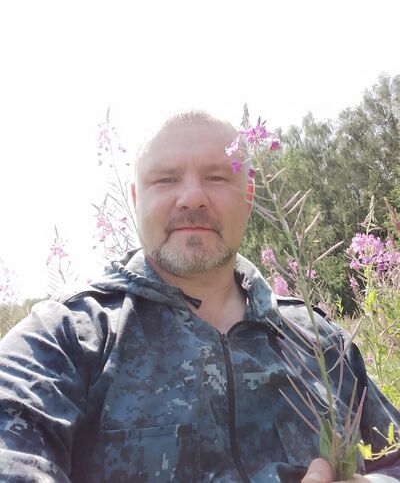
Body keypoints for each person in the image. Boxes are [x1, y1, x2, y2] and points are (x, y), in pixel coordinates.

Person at [0, 111, 399, 483]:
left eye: (217, 177)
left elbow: (393, 458)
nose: (192, 197)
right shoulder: (65, 337)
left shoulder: (322, 343)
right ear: (137, 200)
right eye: (165, 179)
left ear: (249, 195)